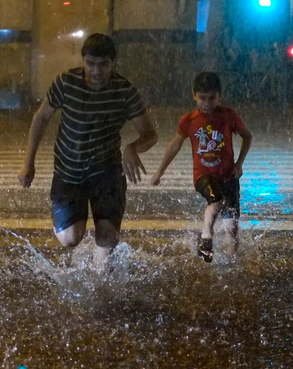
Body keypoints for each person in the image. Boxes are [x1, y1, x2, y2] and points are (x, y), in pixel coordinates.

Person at [18, 33, 158, 270]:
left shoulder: (124, 91)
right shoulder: (66, 83)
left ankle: (99, 284)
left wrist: (133, 147)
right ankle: (72, 223)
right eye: (90, 63)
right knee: (70, 239)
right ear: (83, 60)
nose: (96, 71)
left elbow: (150, 134)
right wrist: (28, 162)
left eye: (103, 64)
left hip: (107, 172)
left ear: (113, 63)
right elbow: (41, 118)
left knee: (107, 238)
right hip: (69, 172)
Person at [150, 71, 253, 263]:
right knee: (216, 201)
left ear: (219, 95)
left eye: (212, 98)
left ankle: (232, 262)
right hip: (203, 175)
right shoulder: (189, 120)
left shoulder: (228, 115)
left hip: (229, 176)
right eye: (202, 98)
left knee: (232, 229)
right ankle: (206, 236)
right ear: (194, 95)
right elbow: (175, 144)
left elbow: (247, 136)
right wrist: (159, 171)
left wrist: (239, 164)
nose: (207, 104)